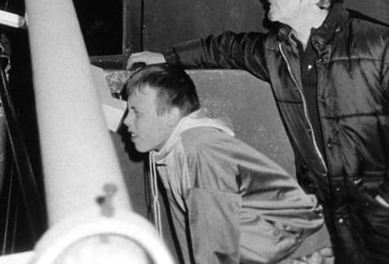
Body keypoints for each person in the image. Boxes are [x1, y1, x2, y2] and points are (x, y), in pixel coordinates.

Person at [126, 0, 389, 263]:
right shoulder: (276, 51)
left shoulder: (376, 44)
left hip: (380, 208)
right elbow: (226, 47)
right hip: (334, 210)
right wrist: (167, 58)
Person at [123, 63, 326, 263]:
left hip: (303, 250)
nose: (126, 121)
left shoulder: (200, 150)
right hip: (273, 248)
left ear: (171, 115)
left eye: (136, 112)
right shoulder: (170, 151)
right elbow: (190, 236)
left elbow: (218, 248)